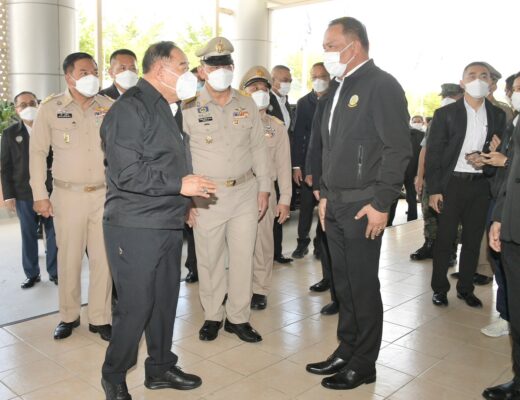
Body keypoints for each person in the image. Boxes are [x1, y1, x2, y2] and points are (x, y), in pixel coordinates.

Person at [305, 17, 411, 390]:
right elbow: (329, 148)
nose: (327, 53)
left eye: (332, 46)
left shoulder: (381, 85)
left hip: (364, 204)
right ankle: (347, 348)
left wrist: (382, 203)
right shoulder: (338, 87)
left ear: (355, 45)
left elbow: (398, 148)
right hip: (335, 203)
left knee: (362, 285)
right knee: (344, 284)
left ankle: (364, 363)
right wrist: (324, 195)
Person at [99, 41, 208, 400]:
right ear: (161, 69)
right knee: (136, 306)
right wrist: (179, 185)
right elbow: (126, 172)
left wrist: (185, 201)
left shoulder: (166, 108)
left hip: (166, 220)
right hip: (134, 225)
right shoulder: (130, 108)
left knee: (164, 300)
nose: (190, 73)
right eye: (183, 66)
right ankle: (114, 375)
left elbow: (172, 159)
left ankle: (160, 367)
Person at [182, 36, 270, 343]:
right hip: (206, 196)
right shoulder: (188, 107)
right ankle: (212, 315)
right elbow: (180, 156)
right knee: (209, 259)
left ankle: (238, 318)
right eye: (214, 65)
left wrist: (264, 187)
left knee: (244, 257)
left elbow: (259, 148)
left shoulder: (246, 103)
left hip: (245, 191)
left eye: (226, 64)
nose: (221, 70)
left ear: (233, 67)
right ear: (202, 70)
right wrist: (186, 202)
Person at [29, 52, 113, 341]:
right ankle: (68, 315)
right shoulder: (50, 108)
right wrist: (40, 195)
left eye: (94, 71)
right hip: (68, 195)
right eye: (84, 72)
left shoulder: (109, 107)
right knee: (69, 258)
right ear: (69, 77)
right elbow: (37, 153)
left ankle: (100, 318)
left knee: (104, 259)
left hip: (104, 195)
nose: (92, 76)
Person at [426, 62, 505, 308]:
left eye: (483, 76)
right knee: (445, 239)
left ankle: (466, 288)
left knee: (472, 240)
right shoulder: (446, 114)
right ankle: (440, 289)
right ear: (462, 82)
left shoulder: (498, 115)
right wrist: (434, 190)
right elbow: (434, 154)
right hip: (451, 184)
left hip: (481, 185)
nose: (478, 80)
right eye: (472, 75)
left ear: (490, 83)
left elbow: (498, 153)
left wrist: (486, 159)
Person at [240, 66, 292, 311]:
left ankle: (260, 289)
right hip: (238, 190)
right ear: (244, 91)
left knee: (262, 243)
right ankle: (239, 287)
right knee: (239, 244)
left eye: (264, 88)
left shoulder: (276, 127)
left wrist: (285, 200)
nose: (260, 92)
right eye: (254, 88)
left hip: (266, 191)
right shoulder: (234, 122)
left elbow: (284, 166)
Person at [482, 74, 520, 400]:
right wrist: (498, 218)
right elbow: (510, 180)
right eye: (516, 89)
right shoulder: (516, 124)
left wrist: (505, 160)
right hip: (512, 228)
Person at [1, 91, 57, 289]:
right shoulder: (10, 134)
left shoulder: (51, 128)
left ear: (39, 104)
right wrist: (8, 195)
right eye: (23, 105)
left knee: (54, 233)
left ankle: (55, 272)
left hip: (50, 191)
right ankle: (32, 274)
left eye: (32, 103)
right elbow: (6, 167)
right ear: (16, 109)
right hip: (23, 193)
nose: (28, 107)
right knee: (28, 234)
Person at [411, 83, 464, 262]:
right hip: (433, 175)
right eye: (445, 95)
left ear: (461, 96)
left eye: (452, 95)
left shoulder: (465, 118)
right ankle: (430, 244)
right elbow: (425, 149)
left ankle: (450, 250)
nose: (447, 99)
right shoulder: (437, 119)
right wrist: (420, 175)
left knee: (451, 214)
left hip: (453, 176)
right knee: (429, 211)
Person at [291, 62, 330, 260]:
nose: (319, 80)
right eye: (314, 77)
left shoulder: (335, 99)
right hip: (307, 165)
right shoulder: (304, 103)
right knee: (306, 206)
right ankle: (302, 242)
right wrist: (297, 166)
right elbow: (298, 136)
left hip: (328, 165)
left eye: (322, 76)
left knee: (325, 206)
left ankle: (320, 244)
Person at [268, 64, 293, 264]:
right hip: (269, 166)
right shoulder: (265, 100)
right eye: (284, 80)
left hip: (282, 162)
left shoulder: (286, 101)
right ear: (273, 80)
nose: (287, 84)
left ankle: (277, 251)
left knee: (280, 207)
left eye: (289, 80)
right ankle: (270, 252)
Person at [387, 115, 424, 225]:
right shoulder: (420, 135)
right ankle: (411, 222)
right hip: (411, 171)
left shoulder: (392, 134)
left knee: (394, 198)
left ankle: (389, 223)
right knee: (411, 198)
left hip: (398, 171)